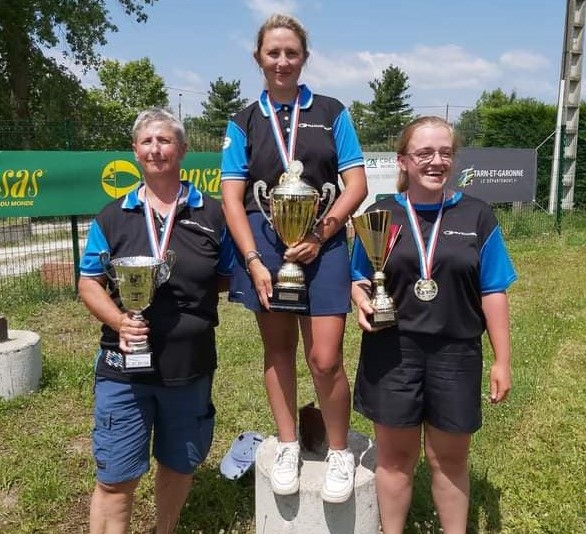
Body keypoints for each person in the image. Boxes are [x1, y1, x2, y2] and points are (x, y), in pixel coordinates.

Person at [220, 13, 367, 503]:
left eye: (291, 53)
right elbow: (232, 197)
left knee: (325, 359)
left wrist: (323, 232)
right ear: (259, 58)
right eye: (273, 52)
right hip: (266, 248)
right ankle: (286, 443)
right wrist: (253, 260)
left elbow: (357, 186)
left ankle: (340, 451)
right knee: (278, 351)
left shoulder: (332, 111)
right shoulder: (243, 120)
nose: (282, 61)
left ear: (304, 58)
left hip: (323, 246)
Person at [350, 116, 517, 533]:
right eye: (424, 153)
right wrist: (359, 298)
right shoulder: (381, 213)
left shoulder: (477, 215)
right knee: (394, 458)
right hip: (392, 353)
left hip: (456, 353)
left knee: (450, 459)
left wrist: (503, 360)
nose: (435, 161)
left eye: (444, 152)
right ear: (403, 160)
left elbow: (493, 290)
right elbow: (358, 277)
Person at [78, 108, 234, 534]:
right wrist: (119, 320)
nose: (156, 149)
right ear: (134, 152)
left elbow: (224, 276)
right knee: (115, 479)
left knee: (179, 464)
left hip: (190, 367)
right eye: (146, 141)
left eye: (165, 140)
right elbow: (88, 282)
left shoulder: (213, 215)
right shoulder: (112, 216)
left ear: (182, 149)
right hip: (123, 371)